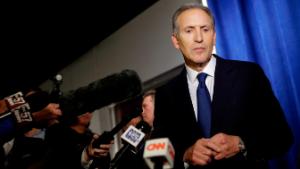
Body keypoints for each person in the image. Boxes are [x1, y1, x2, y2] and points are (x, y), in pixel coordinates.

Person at [151, 2, 293, 169]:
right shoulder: (165, 95)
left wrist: (241, 143)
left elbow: (282, 136)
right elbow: (157, 157)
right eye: (189, 30)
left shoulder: (248, 74)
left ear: (214, 36)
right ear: (176, 41)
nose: (199, 38)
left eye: (205, 29)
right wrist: (185, 155)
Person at [43, 112, 113, 169]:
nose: (87, 113)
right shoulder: (55, 133)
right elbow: (61, 159)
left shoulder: (92, 138)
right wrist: (87, 155)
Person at [111, 90, 155, 169]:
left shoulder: (155, 138)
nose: (142, 112)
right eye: (130, 127)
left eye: (145, 106)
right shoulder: (122, 154)